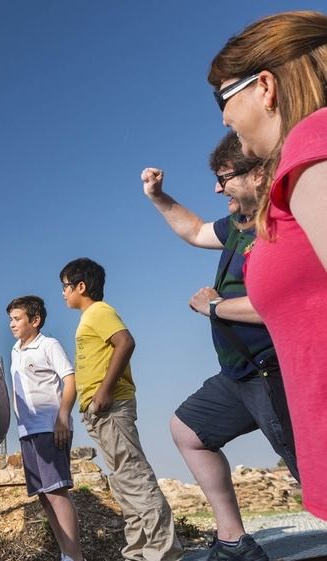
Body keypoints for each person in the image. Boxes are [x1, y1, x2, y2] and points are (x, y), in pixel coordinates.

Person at [142, 132, 298, 561]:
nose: (216, 188)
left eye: (224, 177)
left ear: (259, 173)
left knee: (308, 464)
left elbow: (282, 304)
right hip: (239, 374)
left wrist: (217, 307)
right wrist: (158, 196)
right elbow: (193, 230)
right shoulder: (238, 225)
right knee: (188, 429)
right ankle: (233, 542)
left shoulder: (284, 222)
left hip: (275, 370)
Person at [208, 10, 327, 522]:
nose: (223, 119)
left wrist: (217, 306)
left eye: (222, 98)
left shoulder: (311, 141)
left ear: (265, 87)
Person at [59, 258, 182, 561]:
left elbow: (125, 342)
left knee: (134, 478)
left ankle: (163, 553)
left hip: (110, 408)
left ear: (81, 286)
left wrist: (105, 390)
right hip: (99, 413)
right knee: (124, 482)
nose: (63, 293)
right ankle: (138, 552)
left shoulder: (99, 312)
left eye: (65, 286)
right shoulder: (88, 317)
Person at [6, 295, 83, 561]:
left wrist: (63, 417)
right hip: (27, 432)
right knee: (43, 495)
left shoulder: (48, 345)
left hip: (50, 428)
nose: (12, 324)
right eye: (10, 320)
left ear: (35, 320)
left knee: (56, 491)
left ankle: (75, 555)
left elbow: (70, 380)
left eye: (17, 319)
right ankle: (65, 553)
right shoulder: (15, 351)